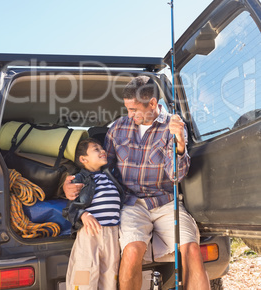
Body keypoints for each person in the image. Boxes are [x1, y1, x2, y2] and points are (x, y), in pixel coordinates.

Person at [64, 76, 210, 290]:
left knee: (192, 250)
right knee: (132, 251)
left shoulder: (173, 127)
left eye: (133, 110)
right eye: (127, 109)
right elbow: (101, 168)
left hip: (165, 203)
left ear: (152, 103)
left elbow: (176, 175)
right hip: (131, 203)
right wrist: (69, 184)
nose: (129, 115)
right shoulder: (118, 129)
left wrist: (179, 145)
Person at [63, 137, 125, 290]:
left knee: (110, 277)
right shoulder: (80, 178)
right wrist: (84, 215)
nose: (103, 151)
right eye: (96, 149)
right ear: (83, 159)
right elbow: (69, 208)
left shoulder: (110, 176)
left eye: (102, 148)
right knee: (85, 276)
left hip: (112, 234)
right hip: (90, 234)